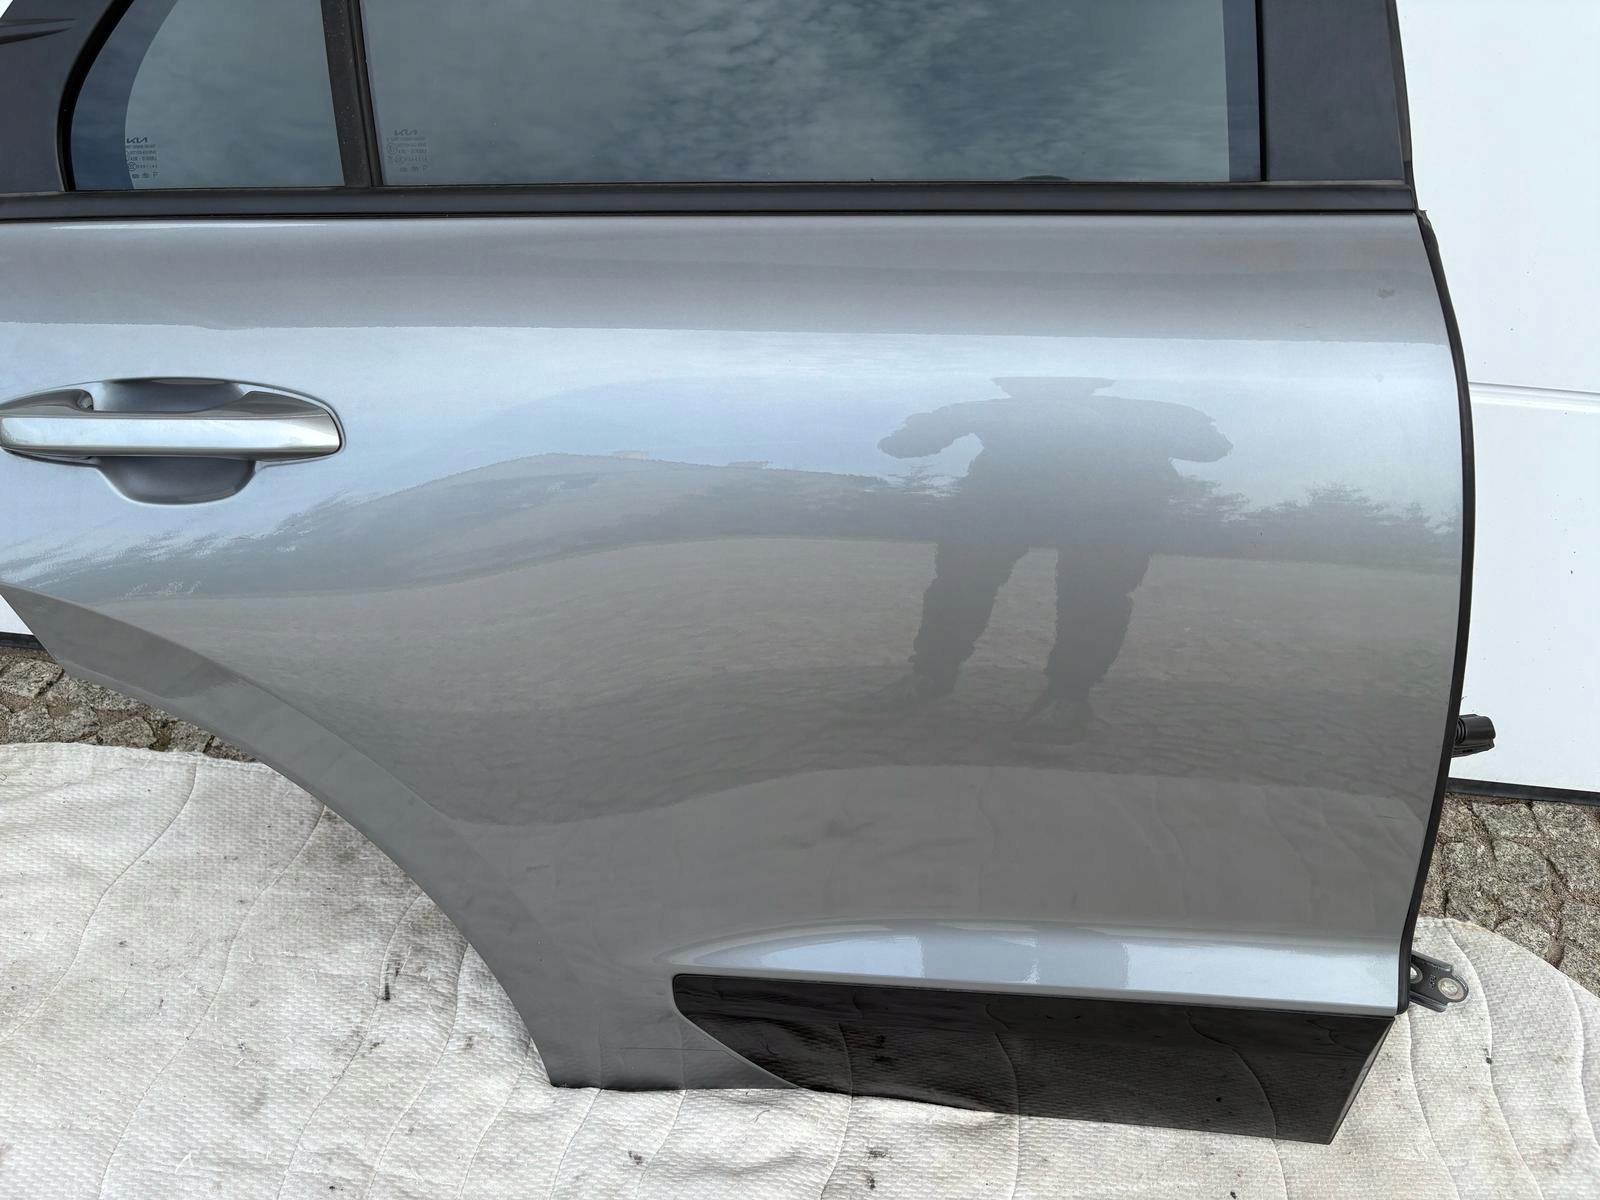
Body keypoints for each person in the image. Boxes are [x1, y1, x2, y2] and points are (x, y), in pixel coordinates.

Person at [876, 377, 1230, 739]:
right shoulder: (988, 412)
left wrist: (1115, 427)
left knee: (1090, 597)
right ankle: (944, 679)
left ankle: (1065, 696)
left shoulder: (1140, 414)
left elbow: (1211, 447)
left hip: (1106, 510)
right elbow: (901, 445)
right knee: (963, 585)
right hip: (1027, 505)